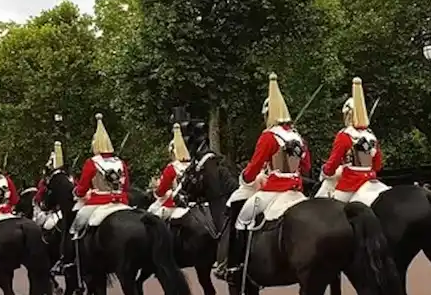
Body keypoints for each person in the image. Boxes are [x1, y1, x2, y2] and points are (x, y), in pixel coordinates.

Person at [214, 73, 311, 282]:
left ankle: (235, 265)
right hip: (296, 190)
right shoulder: (297, 137)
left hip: (274, 190)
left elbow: (253, 168)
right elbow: (306, 166)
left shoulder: (269, 136)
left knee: (241, 218)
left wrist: (248, 178)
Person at [68, 114, 130, 254]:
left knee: (77, 227)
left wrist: (78, 193)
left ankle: (74, 257)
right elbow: (126, 186)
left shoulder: (92, 162)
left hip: (98, 202)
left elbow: (82, 188)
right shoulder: (120, 162)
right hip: (121, 201)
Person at [316, 77, 385, 202]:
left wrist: (325, 172)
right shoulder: (371, 135)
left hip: (351, 183)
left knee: (326, 206)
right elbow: (378, 165)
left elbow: (333, 163)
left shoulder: (345, 135)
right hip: (370, 179)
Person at [150, 123, 191, 220]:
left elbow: (161, 191)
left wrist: (156, 189)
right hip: (194, 203)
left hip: (174, 204)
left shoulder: (171, 168)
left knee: (151, 217)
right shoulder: (193, 165)